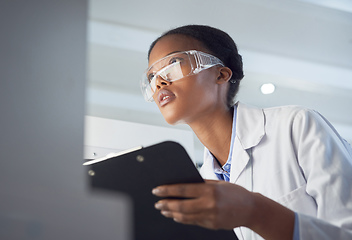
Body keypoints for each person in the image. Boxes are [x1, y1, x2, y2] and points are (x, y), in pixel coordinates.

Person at [140, 24, 352, 240]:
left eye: (174, 64)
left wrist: (255, 210)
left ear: (221, 74)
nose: (159, 83)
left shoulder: (296, 126)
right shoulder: (201, 184)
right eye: (151, 77)